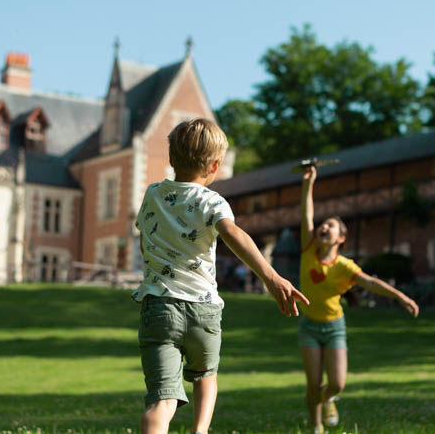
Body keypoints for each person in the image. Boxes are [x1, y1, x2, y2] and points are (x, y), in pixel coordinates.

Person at [132, 118, 309, 434]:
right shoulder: (212, 201)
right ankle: (200, 430)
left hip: (159, 308)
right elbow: (233, 233)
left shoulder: (152, 194)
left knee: (161, 402)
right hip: (203, 310)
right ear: (215, 167)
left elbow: (145, 237)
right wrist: (271, 277)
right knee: (205, 374)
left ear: (171, 159)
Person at [299, 165, 419, 433]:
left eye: (330, 225)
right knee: (313, 382)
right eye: (323, 223)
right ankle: (316, 426)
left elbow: (371, 283)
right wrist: (308, 184)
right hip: (308, 325)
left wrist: (400, 297)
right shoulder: (308, 249)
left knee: (337, 383)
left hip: (333, 328)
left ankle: (329, 399)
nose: (323, 226)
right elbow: (306, 213)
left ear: (341, 238)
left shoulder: (345, 266)